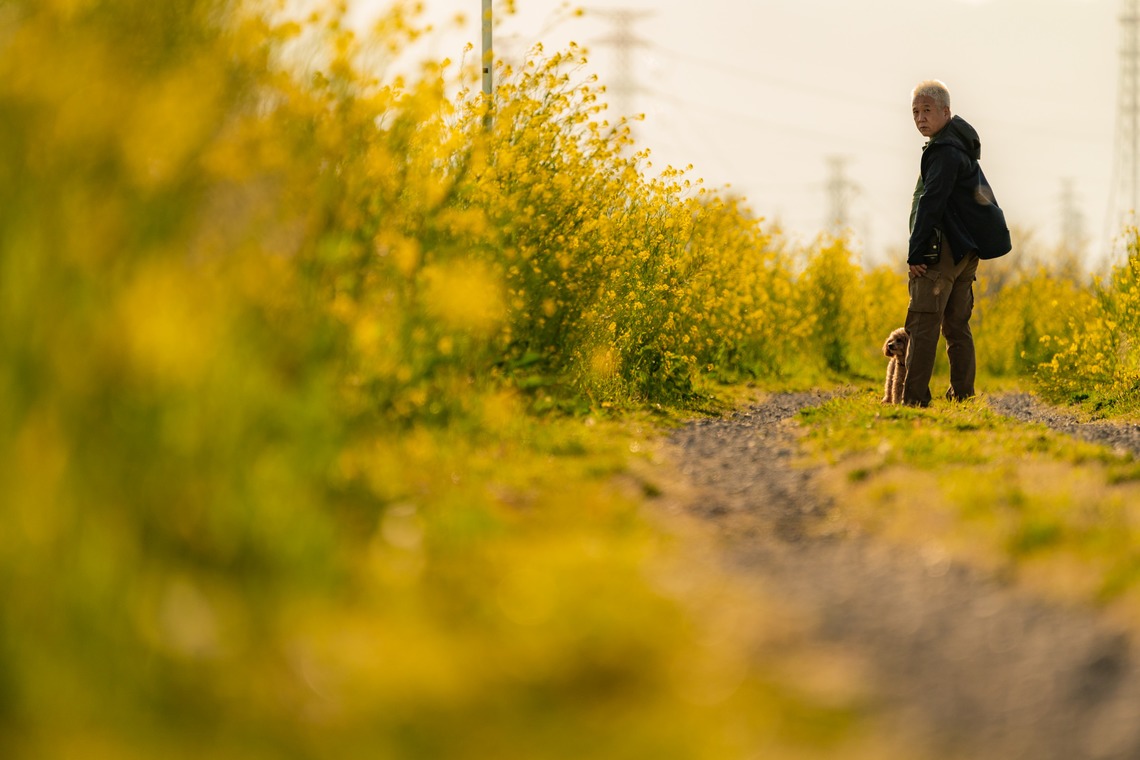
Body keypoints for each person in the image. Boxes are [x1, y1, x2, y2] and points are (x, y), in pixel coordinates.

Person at [903, 80, 1011, 407]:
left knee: (923, 323)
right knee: (956, 325)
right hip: (967, 250)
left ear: (946, 111)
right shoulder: (958, 147)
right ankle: (962, 396)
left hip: (943, 251)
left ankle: (914, 400)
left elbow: (931, 203)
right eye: (915, 112)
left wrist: (916, 252)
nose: (920, 118)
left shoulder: (945, 151)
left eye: (927, 110)